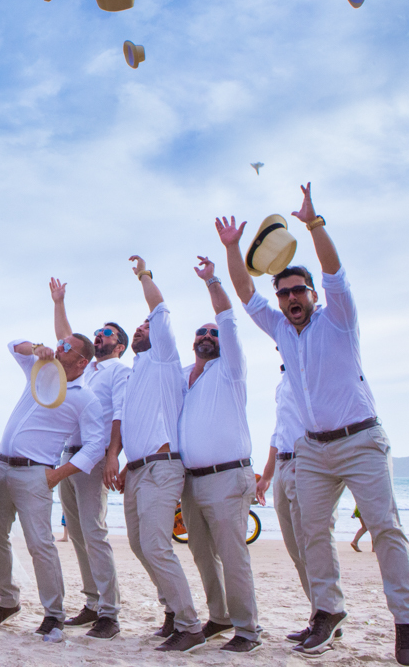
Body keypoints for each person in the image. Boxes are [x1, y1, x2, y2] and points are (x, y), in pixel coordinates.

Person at [218, 183, 409, 665]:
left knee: (385, 529)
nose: (290, 297)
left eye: (297, 290)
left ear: (312, 294)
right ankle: (327, 612)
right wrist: (232, 250)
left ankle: (406, 620)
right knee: (312, 534)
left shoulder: (339, 319)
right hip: (312, 449)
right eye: (284, 292)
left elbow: (335, 271)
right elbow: (246, 292)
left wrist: (314, 224)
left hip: (361, 440)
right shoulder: (279, 330)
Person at [104, 256, 202, 652]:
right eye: (140, 327)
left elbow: (159, 309)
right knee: (140, 545)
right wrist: (127, 463)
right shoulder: (137, 371)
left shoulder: (163, 358)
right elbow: (141, 424)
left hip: (163, 468)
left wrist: (144, 275)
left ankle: (191, 626)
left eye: (145, 326)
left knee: (158, 546)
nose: (144, 327)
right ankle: (172, 611)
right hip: (140, 470)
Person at [0, 331, 111, 642]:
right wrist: (37, 347)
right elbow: (13, 345)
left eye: (67, 346)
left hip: (37, 473)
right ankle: (6, 600)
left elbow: (97, 444)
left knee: (40, 544)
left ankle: (53, 613)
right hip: (2, 466)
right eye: (60, 342)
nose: (60, 347)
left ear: (83, 361)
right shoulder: (41, 367)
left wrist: (58, 474)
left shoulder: (85, 397)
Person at [176, 256, 260, 653]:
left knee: (232, 555)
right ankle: (221, 616)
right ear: (193, 342)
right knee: (202, 554)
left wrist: (212, 281)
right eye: (201, 332)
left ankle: (247, 630)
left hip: (229, 476)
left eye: (214, 332)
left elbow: (227, 318)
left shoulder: (231, 369)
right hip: (190, 481)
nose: (209, 335)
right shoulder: (183, 379)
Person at [49, 278, 125, 633]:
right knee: (77, 534)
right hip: (68, 455)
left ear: (119, 345)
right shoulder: (85, 370)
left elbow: (119, 416)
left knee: (95, 533)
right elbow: (67, 341)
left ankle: (110, 611)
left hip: (93, 460)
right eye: (97, 333)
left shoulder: (119, 372)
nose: (100, 336)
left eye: (107, 333)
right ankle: (92, 602)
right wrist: (59, 302)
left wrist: (113, 456)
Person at [256, 364, 332, 642]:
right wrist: (266, 476)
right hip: (283, 465)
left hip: (306, 463)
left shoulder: (313, 371)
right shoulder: (283, 380)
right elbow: (279, 431)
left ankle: (329, 616)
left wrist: (313, 458)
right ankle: (318, 617)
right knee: (296, 551)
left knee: (312, 547)